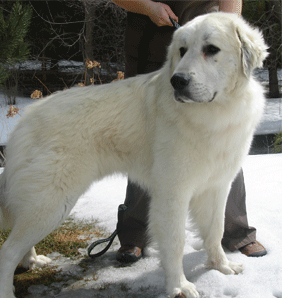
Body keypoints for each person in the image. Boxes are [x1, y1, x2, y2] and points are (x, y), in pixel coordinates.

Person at [111, 0, 267, 263]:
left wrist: (229, 26)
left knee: (226, 137)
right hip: (149, 41)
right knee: (146, 139)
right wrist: (148, 7)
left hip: (209, 37)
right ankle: (134, 235)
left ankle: (236, 232)